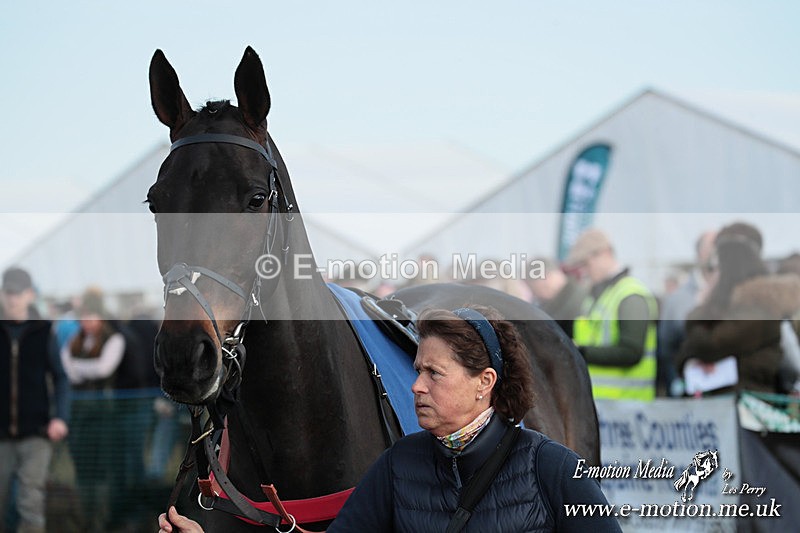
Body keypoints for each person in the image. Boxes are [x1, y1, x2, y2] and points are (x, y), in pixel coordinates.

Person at [158, 305, 620, 532]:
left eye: (433, 374)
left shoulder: (554, 469)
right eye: (417, 370)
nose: (415, 385)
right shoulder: (398, 466)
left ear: (485, 382)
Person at [675, 222, 800, 395]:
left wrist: (702, 307)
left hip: (749, 407)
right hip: (716, 406)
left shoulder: (761, 303)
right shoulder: (723, 302)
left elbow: (711, 344)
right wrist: (692, 361)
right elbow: (684, 353)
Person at [0, 267, 70, 533]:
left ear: (29, 294)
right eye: (8, 292)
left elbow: (61, 378)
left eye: (18, 293)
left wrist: (60, 418)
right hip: (2, 435)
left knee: (30, 502)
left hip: (36, 434)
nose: (12, 298)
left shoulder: (44, 332)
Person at [60, 287, 126, 531]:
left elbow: (103, 369)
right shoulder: (75, 340)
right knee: (81, 464)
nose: (86, 322)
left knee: (100, 467)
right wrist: (81, 368)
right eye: (84, 316)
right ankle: (85, 517)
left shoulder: (114, 338)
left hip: (103, 414)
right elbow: (64, 365)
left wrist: (77, 368)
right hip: (79, 413)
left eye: (91, 316)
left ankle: (100, 519)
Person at [566, 228, 659, 401]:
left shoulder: (631, 294)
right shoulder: (597, 297)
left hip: (629, 407)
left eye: (586, 263)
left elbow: (631, 352)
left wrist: (580, 351)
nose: (584, 271)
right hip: (602, 406)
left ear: (605, 254)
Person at [657, 230, 717, 396]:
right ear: (699, 254)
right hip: (689, 394)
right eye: (710, 248)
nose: (715, 254)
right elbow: (665, 347)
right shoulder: (678, 300)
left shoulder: (736, 294)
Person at [525, 257, 587, 337]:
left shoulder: (577, 300)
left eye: (536, 290)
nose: (538, 296)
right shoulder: (575, 293)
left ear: (547, 278)